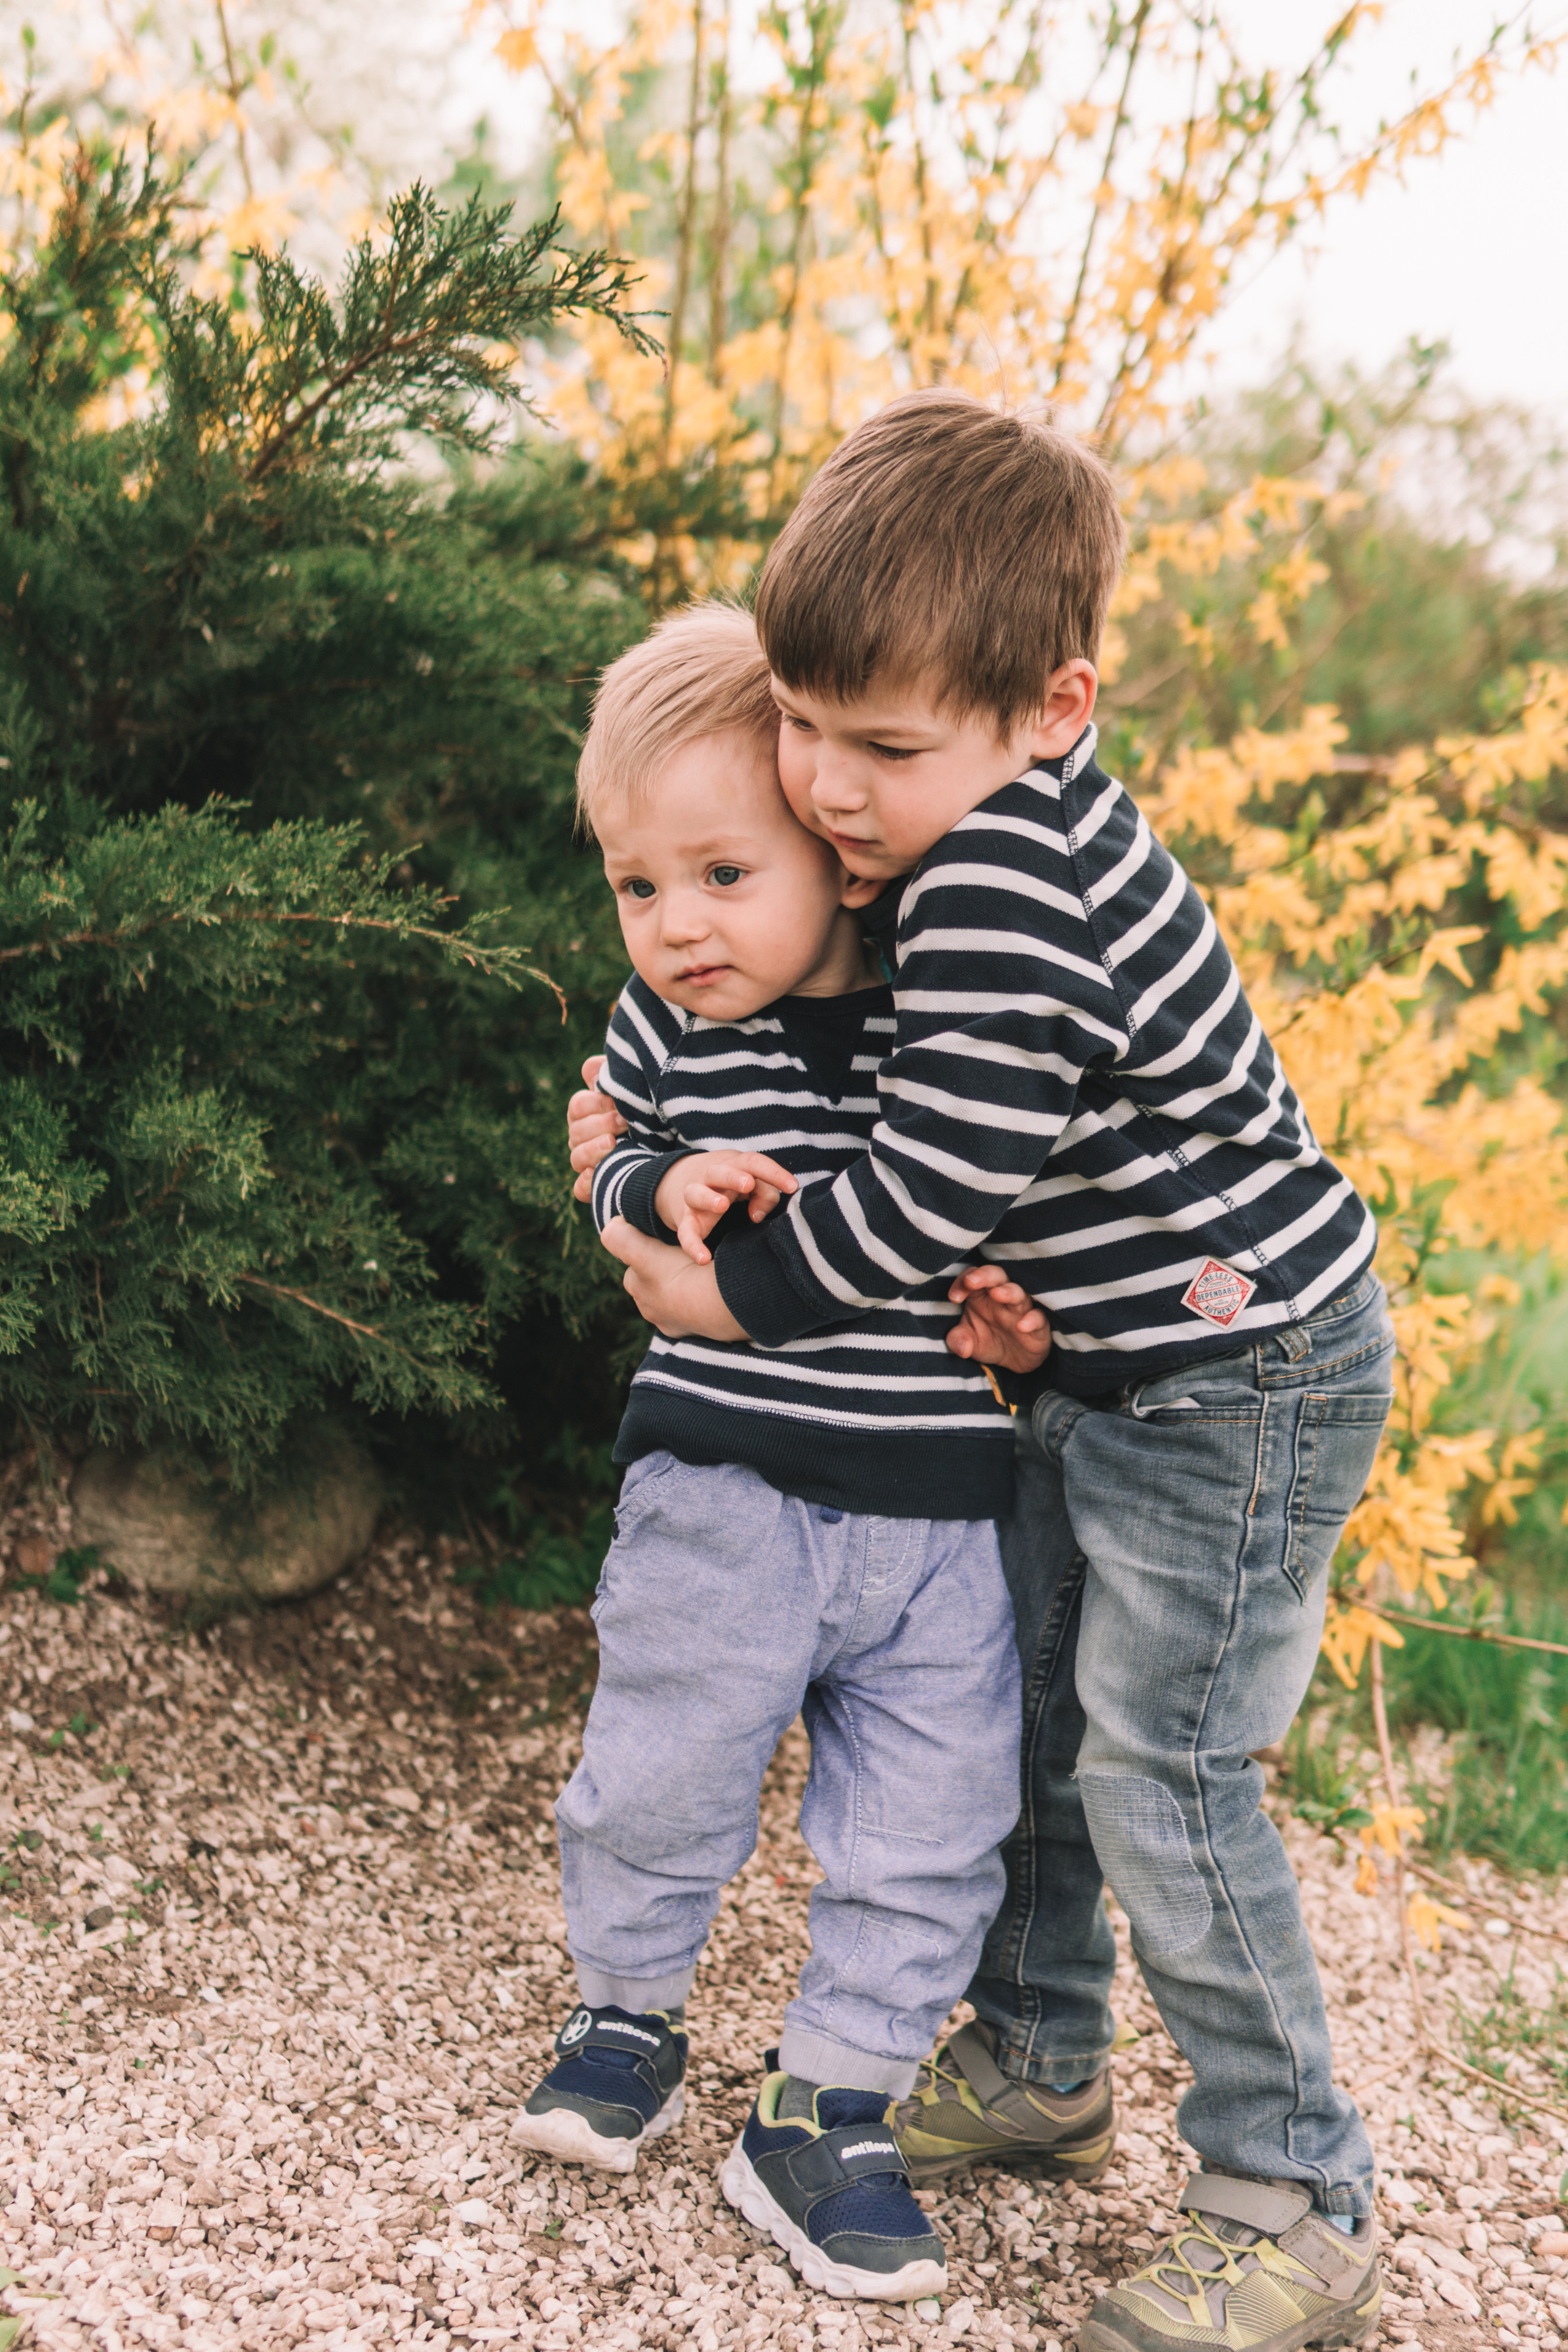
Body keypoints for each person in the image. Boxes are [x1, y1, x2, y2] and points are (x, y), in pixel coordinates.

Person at [570, 392, 1394, 2352]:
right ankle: (1039, 2057)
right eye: (807, 724)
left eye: (885, 747)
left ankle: (1299, 2188)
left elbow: (926, 1193)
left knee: (1167, 1761)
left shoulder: (1018, 871)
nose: (831, 790)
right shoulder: (963, 838)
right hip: (1122, 1360)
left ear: (1054, 705)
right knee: (1027, 1704)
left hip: (1244, 1374)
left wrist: (718, 1300)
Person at [516, 600, 1052, 2305]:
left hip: (933, 1523)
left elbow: (1005, 1206)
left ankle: (828, 2102)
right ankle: (626, 2006)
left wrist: (1027, 1325)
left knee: (935, 1823)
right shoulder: (673, 1027)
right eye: (639, 886)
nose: (677, 926)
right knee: (664, 1765)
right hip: (727, 1497)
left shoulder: (938, 1012)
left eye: (721, 876)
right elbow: (617, 1157)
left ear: (832, 842)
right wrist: (649, 1186)